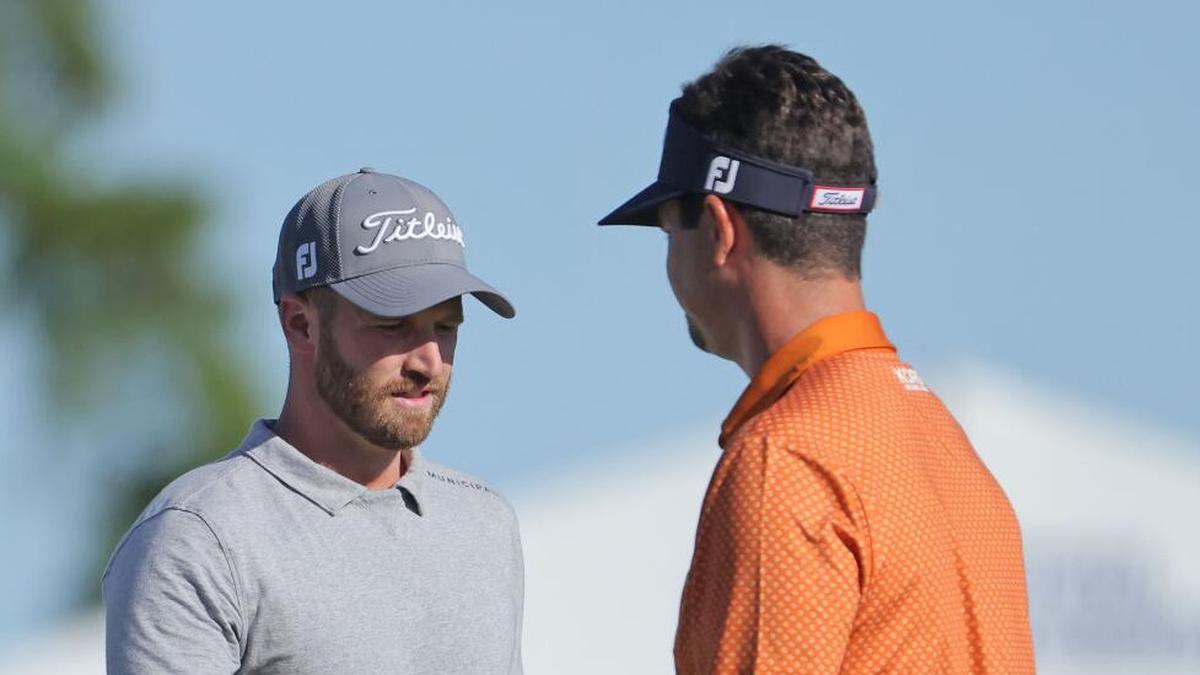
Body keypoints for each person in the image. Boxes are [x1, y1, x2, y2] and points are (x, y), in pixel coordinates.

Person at [599, 46, 1035, 674]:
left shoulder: (788, 462)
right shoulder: (947, 448)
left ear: (720, 230)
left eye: (671, 232)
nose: (669, 261)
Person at [103, 168, 524, 674]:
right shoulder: (198, 539)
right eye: (391, 325)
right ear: (300, 324)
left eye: (446, 326)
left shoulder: (483, 524)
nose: (427, 360)